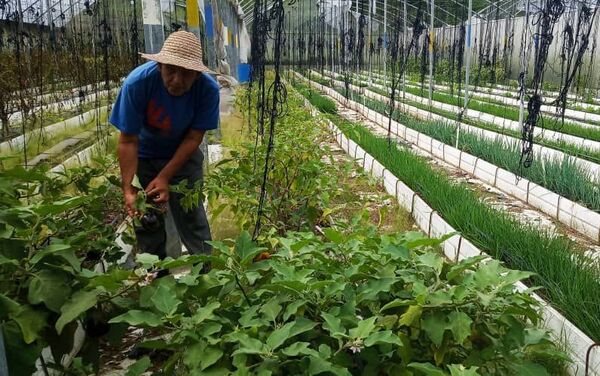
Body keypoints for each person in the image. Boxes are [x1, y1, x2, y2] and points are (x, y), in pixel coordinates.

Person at [110, 31, 219, 260]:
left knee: (192, 216)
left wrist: (166, 176)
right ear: (159, 66)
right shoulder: (137, 84)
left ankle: (207, 273)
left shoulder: (208, 90)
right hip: (146, 155)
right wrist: (129, 189)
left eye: (187, 73)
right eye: (171, 70)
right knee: (147, 218)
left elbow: (193, 138)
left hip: (184, 157)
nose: (177, 80)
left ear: (197, 74)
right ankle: (154, 275)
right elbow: (128, 140)